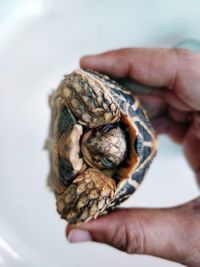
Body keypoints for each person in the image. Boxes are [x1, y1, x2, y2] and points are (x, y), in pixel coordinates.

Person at [66, 48, 200, 267]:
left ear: (110, 167)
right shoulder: (103, 111)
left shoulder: (100, 182)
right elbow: (77, 85)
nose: (91, 144)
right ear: (108, 125)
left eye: (103, 157)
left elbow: (74, 206)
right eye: (102, 133)